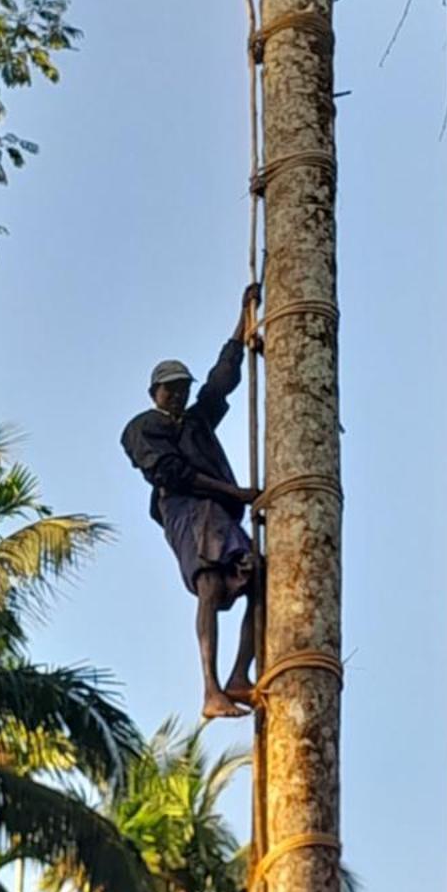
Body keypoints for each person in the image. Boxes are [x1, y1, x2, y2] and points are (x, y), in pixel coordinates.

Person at [121, 285, 260, 720]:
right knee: (210, 585)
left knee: (261, 578)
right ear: (153, 394)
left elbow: (221, 382)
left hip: (218, 512)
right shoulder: (144, 427)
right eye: (169, 391)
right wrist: (236, 494)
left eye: (182, 388)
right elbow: (171, 474)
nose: (177, 396)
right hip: (186, 510)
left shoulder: (196, 421)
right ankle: (211, 689)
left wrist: (244, 318)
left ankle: (239, 675)